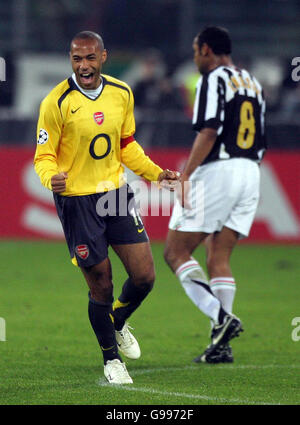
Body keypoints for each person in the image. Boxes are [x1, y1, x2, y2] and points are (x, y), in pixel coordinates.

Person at [34, 31, 179, 384]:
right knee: (101, 284)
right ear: (71, 60)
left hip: (114, 193)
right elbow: (43, 156)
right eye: (76, 59)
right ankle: (111, 360)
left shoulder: (121, 93)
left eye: (89, 58)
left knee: (144, 277)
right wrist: (50, 177)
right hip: (77, 201)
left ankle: (117, 322)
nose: (83, 65)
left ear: (103, 57)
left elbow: (126, 144)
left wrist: (156, 174)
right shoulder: (56, 102)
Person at [164, 26, 267, 364]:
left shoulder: (213, 78)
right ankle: (221, 345)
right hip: (251, 172)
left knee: (176, 252)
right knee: (218, 256)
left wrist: (186, 175)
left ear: (206, 49)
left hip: (220, 170)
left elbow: (209, 129)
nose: (195, 58)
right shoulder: (253, 82)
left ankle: (221, 317)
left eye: (196, 51)